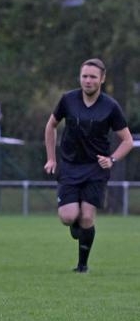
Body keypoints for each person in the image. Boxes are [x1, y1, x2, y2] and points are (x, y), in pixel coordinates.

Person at [44, 58, 133, 273]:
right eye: (84, 76)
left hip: (95, 169)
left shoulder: (110, 106)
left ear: (102, 79)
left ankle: (82, 265)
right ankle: (76, 224)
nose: (88, 80)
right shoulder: (68, 100)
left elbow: (127, 141)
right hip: (70, 166)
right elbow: (51, 126)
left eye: (93, 77)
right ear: (80, 78)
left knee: (86, 217)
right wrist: (51, 158)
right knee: (68, 217)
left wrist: (111, 159)